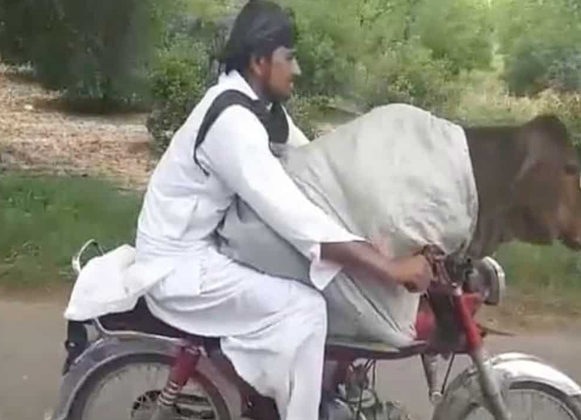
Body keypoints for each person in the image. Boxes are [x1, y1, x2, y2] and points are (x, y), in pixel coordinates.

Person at [133, 1, 433, 419]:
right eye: (289, 58)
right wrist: (389, 268)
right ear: (259, 61)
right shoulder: (233, 122)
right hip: (180, 266)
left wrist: (387, 213)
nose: (298, 70)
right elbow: (296, 217)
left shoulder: (261, 109)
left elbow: (316, 164)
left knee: (310, 289)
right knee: (305, 306)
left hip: (208, 249)